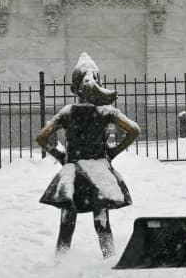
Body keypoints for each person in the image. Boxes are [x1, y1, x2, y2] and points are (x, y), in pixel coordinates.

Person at [36, 53, 140, 259]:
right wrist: (113, 152)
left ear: (74, 89)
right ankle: (108, 259)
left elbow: (41, 138)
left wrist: (60, 155)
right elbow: (134, 130)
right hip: (98, 172)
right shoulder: (105, 112)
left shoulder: (68, 112)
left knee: (67, 223)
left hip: (73, 173)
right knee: (102, 222)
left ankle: (61, 262)